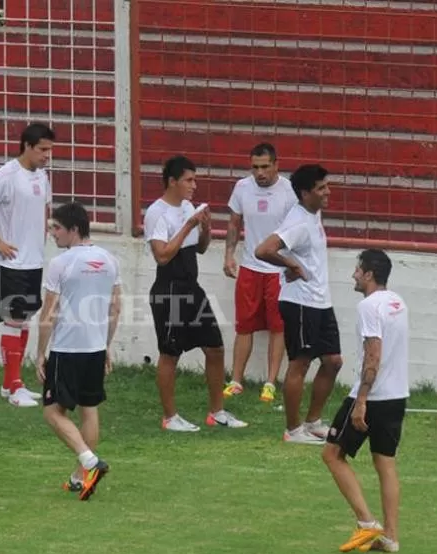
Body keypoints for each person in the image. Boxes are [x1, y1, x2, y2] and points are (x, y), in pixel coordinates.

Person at [145, 155, 248, 432]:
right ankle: (169, 417)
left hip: (193, 288)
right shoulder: (157, 212)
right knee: (170, 353)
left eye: (195, 180)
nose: (194, 185)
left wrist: (204, 229)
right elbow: (162, 256)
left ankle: (217, 411)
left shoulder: (188, 207)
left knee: (214, 346)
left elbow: (200, 249)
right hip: (169, 290)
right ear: (172, 181)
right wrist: (189, 225)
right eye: (189, 180)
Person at [323, 249, 408, 554]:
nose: (354, 275)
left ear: (369, 274)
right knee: (385, 463)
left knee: (332, 454)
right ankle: (391, 538)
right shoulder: (398, 302)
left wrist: (361, 400)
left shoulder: (368, 306)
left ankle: (366, 523)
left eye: (357, 270)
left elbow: (374, 353)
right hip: (397, 395)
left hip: (372, 396)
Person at [35, 202, 121, 500]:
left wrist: (40, 352)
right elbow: (115, 308)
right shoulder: (109, 260)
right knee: (89, 408)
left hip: (67, 348)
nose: (53, 235)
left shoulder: (62, 263)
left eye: (56, 228)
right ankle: (79, 477)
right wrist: (107, 345)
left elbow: (49, 312)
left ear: (73, 229)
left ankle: (90, 461)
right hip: (95, 348)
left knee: (51, 412)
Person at [0, 123, 55, 408]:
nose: (47, 155)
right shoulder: (7, 174)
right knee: (13, 319)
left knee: (25, 317)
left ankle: (10, 383)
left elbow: (43, 209)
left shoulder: (42, 176)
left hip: (33, 259)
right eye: (43, 149)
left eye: (50, 150)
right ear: (27, 146)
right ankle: (15, 385)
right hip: (10, 262)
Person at [255, 164, 341, 444]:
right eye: (321, 188)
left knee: (333, 361)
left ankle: (313, 422)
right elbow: (263, 250)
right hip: (300, 302)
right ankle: (293, 431)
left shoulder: (312, 213)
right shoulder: (299, 222)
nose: (328, 192)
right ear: (305, 194)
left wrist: (292, 264)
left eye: (327, 185)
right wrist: (290, 264)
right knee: (300, 364)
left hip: (320, 301)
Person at [223, 143, 295, 403]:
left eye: (265, 166)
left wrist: (292, 264)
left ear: (276, 164)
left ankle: (270, 383)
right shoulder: (242, 187)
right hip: (250, 268)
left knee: (278, 327)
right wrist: (229, 254)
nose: (260, 172)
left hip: (278, 270)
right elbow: (234, 223)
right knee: (244, 326)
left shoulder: (290, 191)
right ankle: (236, 380)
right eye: (255, 167)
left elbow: (297, 229)